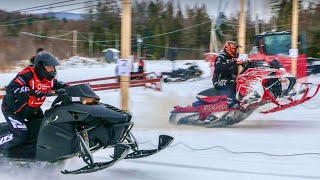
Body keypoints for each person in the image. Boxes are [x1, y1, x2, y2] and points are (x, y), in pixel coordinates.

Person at [0, 52, 67, 150]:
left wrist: (74, 89)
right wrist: (32, 92)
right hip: (14, 111)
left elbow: (63, 85)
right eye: (49, 67)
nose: (52, 70)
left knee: (46, 128)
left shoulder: (50, 80)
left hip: (32, 110)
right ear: (41, 67)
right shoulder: (27, 75)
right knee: (20, 135)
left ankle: (35, 153)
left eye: (53, 67)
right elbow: (11, 89)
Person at [212, 41, 247, 109]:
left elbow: (241, 60)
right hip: (219, 80)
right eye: (235, 49)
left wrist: (246, 62)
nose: (236, 51)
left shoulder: (232, 57)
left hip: (231, 78)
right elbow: (221, 67)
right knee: (232, 82)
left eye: (236, 49)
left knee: (242, 81)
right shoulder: (220, 57)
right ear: (229, 49)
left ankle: (244, 99)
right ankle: (230, 102)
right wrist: (233, 62)